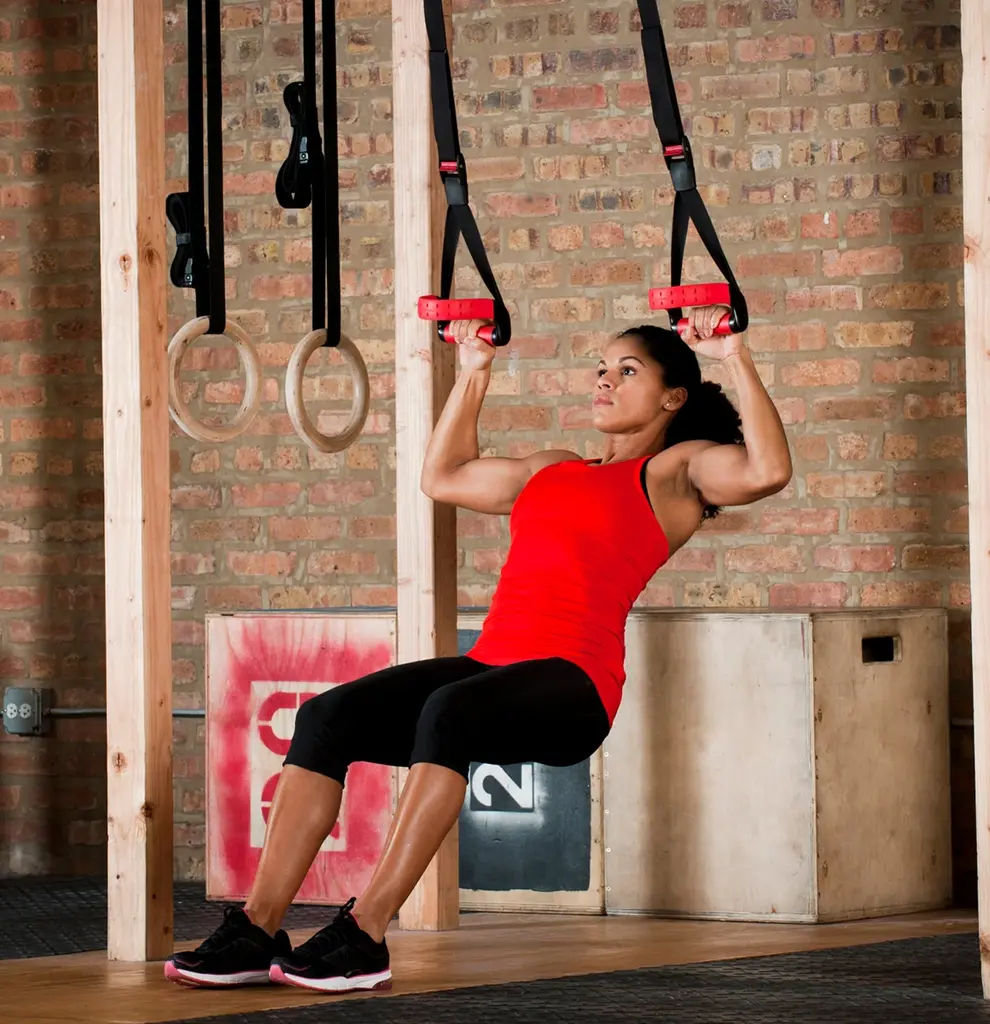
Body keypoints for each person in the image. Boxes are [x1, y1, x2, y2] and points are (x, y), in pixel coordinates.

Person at [165, 306, 792, 993]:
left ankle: (365, 932)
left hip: (575, 684)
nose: (605, 381)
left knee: (450, 710)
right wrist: (474, 371)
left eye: (627, 371)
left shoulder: (674, 471)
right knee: (324, 718)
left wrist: (734, 354)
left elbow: (766, 470)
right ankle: (256, 929)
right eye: (601, 369)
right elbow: (444, 476)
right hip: (494, 665)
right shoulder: (553, 467)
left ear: (673, 397)